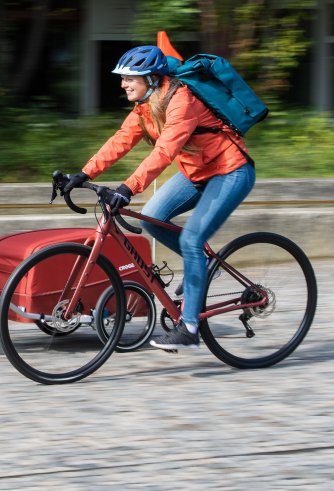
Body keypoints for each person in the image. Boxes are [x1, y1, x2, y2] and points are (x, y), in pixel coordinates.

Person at [62, 44, 255, 350]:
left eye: (130, 78)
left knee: (191, 240)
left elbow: (166, 150)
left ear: (151, 78)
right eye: (123, 78)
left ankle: (189, 327)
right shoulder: (144, 106)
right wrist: (85, 174)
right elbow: (121, 140)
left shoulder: (182, 101)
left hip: (230, 171)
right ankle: (203, 265)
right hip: (196, 173)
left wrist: (128, 188)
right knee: (153, 219)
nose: (123, 84)